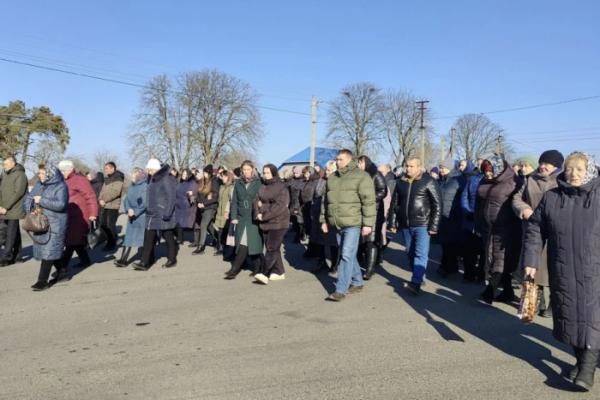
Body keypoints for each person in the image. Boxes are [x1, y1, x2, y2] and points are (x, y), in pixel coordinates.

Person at [522, 151, 600, 391]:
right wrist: (531, 260)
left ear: (589, 170)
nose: (573, 174)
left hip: (594, 269)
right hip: (562, 267)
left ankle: (587, 369)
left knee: (591, 316)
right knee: (570, 316)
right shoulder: (552, 197)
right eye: (569, 168)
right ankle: (581, 360)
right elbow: (535, 228)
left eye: (579, 169)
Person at [512, 150, 564, 317]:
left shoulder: (562, 180)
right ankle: (536, 302)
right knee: (533, 266)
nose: (542, 166)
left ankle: (554, 304)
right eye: (541, 163)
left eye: (546, 163)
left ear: (556, 166)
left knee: (554, 268)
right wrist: (524, 209)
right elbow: (516, 198)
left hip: (555, 230)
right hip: (533, 229)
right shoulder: (530, 179)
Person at [320, 149, 376, 301]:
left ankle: (340, 289)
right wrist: (323, 220)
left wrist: (368, 224)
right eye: (336, 159)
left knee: (345, 255)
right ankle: (357, 281)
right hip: (337, 223)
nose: (337, 162)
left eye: (340, 159)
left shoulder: (361, 176)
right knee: (348, 255)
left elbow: (369, 202)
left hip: (353, 223)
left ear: (349, 160)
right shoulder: (332, 178)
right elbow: (326, 202)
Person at [389, 157, 441, 295]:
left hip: (423, 224)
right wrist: (392, 222)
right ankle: (420, 277)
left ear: (419, 167)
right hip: (406, 224)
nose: (408, 169)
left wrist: (434, 225)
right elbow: (395, 204)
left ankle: (416, 282)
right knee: (410, 252)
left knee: (420, 254)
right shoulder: (401, 182)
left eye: (411, 166)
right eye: (407, 166)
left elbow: (437, 204)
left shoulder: (429, 181)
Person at [475, 154, 522, 304]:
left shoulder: (513, 182)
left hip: (506, 228)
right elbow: (479, 202)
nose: (487, 174)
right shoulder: (485, 180)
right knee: (495, 259)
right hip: (487, 227)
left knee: (499, 260)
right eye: (485, 171)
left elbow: (517, 203)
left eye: (490, 171)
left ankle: (488, 293)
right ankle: (508, 292)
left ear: (499, 168)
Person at [25, 166, 69, 291]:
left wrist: (42, 200)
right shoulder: (39, 184)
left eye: (43, 173)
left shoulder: (61, 186)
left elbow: (61, 205)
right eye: (39, 173)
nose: (40, 175)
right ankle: (62, 272)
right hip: (41, 222)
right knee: (50, 250)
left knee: (48, 251)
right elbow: (29, 197)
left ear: (50, 174)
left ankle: (42, 281)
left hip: (55, 224)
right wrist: (30, 210)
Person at [133, 159, 178, 270]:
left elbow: (171, 196)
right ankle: (145, 262)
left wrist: (167, 213)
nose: (149, 171)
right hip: (151, 213)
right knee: (148, 237)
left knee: (168, 236)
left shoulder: (166, 178)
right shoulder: (152, 178)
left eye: (151, 169)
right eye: (148, 169)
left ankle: (172, 259)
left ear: (157, 168)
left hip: (163, 213)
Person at [224, 160, 264, 280]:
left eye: (248, 169)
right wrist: (234, 217)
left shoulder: (259, 183)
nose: (246, 172)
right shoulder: (238, 183)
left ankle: (235, 269)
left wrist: (260, 209)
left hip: (253, 217)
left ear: (252, 170)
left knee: (251, 243)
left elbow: (263, 198)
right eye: (244, 170)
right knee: (244, 242)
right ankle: (257, 268)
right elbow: (234, 201)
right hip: (241, 217)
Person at [58, 160, 98, 274]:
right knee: (76, 241)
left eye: (63, 171)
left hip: (80, 216)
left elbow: (90, 197)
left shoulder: (80, 180)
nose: (61, 173)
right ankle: (85, 261)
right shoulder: (63, 180)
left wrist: (93, 214)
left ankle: (62, 267)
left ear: (69, 170)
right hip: (68, 215)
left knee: (71, 242)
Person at [253, 164, 290, 284]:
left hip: (279, 222)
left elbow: (279, 206)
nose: (265, 175)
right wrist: (258, 213)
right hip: (265, 222)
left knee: (271, 247)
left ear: (274, 173)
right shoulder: (262, 186)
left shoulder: (281, 187)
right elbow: (256, 201)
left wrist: (263, 212)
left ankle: (264, 272)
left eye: (268, 172)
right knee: (274, 248)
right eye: (264, 172)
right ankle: (279, 272)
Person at [357, 155, 388, 280]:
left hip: (374, 210)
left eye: (360, 163)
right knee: (361, 238)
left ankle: (370, 269)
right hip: (360, 211)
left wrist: (369, 199)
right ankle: (361, 261)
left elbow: (383, 191)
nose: (359, 165)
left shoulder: (376, 174)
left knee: (371, 240)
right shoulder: (358, 175)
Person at [436, 159, 466, 278]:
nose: (441, 170)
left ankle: (447, 266)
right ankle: (450, 266)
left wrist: (459, 212)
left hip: (453, 216)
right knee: (445, 243)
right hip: (442, 216)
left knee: (450, 243)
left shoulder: (458, 180)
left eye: (443, 167)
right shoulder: (441, 181)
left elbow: (463, 197)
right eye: (440, 167)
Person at [115, 168, 147, 268]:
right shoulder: (131, 186)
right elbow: (126, 200)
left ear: (139, 175)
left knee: (143, 239)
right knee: (128, 238)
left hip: (141, 217)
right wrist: (128, 209)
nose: (132, 177)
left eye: (134, 175)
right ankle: (123, 259)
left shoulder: (145, 186)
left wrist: (135, 211)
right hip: (131, 216)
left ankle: (147, 257)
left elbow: (144, 203)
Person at [0, 156, 28, 266]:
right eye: (3, 164)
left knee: (10, 233)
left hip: (15, 208)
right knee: (14, 233)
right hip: (4, 208)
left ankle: (7, 257)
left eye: (6, 164)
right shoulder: (5, 174)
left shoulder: (20, 175)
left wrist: (6, 206)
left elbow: (18, 193)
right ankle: (18, 255)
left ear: (13, 163)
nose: (4, 166)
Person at [461, 161, 486, 282]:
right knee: (469, 250)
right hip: (470, 219)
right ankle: (469, 274)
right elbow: (464, 197)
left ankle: (481, 275)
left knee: (484, 251)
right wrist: (467, 211)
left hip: (486, 222)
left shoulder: (495, 180)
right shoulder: (473, 179)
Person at [314, 160, 339, 273]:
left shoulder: (338, 181)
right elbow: (317, 193)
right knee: (320, 240)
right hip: (319, 213)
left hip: (332, 215)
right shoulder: (323, 180)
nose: (327, 172)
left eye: (329, 170)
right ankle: (322, 262)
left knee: (333, 242)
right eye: (326, 170)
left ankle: (335, 264)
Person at [192, 165, 219, 255]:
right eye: (204, 172)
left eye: (206, 173)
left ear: (210, 173)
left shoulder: (214, 181)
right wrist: (198, 202)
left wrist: (205, 203)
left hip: (210, 207)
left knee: (203, 225)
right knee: (209, 226)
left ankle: (201, 247)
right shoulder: (202, 181)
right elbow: (199, 194)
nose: (204, 174)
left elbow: (215, 196)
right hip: (202, 207)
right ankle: (219, 239)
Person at [98, 162, 124, 251]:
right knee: (103, 225)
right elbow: (102, 191)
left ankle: (111, 244)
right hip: (104, 205)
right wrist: (100, 199)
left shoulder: (118, 178)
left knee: (110, 226)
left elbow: (115, 192)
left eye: (107, 168)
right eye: (105, 169)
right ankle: (113, 239)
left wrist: (104, 200)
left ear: (113, 168)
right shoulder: (107, 179)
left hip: (113, 206)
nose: (105, 170)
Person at [300, 166, 321, 258]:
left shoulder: (316, 181)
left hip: (312, 208)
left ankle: (314, 251)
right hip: (306, 207)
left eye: (307, 173)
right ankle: (312, 250)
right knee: (309, 230)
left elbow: (315, 195)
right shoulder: (306, 182)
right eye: (304, 173)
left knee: (314, 231)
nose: (305, 175)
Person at [214, 170, 235, 259]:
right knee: (219, 231)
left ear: (229, 177)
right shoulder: (221, 187)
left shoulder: (232, 187)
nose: (222, 178)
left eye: (224, 176)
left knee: (226, 232)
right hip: (219, 212)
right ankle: (221, 247)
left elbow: (232, 201)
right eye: (222, 176)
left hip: (227, 213)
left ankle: (226, 249)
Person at [175, 169, 198, 245]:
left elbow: (193, 191)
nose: (184, 175)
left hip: (187, 206)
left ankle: (197, 239)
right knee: (179, 222)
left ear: (189, 174)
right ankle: (180, 238)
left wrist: (191, 193)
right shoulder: (180, 183)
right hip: (178, 205)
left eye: (185, 174)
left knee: (192, 223)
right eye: (183, 174)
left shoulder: (192, 182)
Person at [288, 166, 306, 243]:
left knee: (300, 220)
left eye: (297, 173)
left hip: (300, 202)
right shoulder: (292, 180)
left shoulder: (303, 180)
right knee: (295, 220)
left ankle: (300, 235)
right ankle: (299, 234)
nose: (295, 174)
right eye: (294, 173)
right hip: (293, 201)